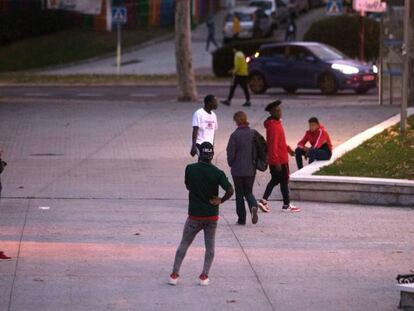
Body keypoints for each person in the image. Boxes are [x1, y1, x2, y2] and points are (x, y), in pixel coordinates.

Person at [169, 142, 234, 286]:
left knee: (184, 244)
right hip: (211, 216)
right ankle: (204, 276)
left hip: (194, 215)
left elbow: (187, 185)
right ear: (212, 155)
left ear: (200, 154)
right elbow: (230, 190)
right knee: (210, 247)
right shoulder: (218, 173)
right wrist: (221, 200)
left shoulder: (190, 169)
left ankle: (174, 275)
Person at [257, 100, 301, 213]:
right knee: (284, 181)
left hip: (279, 158)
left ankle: (263, 200)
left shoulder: (276, 124)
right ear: (271, 112)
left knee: (275, 180)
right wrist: (276, 162)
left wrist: (289, 150)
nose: (280, 112)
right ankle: (286, 205)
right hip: (279, 160)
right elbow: (272, 145)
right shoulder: (273, 126)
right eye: (277, 111)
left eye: (280, 109)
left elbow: (280, 142)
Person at [226, 111, 262, 225]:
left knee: (239, 194)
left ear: (236, 121)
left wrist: (231, 163)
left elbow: (230, 153)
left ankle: (241, 219)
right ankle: (253, 206)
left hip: (237, 170)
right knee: (248, 191)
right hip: (250, 168)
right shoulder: (253, 133)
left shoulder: (234, 135)